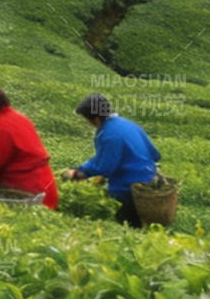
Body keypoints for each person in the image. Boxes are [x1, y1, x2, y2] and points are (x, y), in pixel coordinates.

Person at [66, 92, 162, 227]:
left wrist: (78, 173)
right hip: (149, 182)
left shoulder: (108, 134)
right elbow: (155, 154)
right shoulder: (128, 124)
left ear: (95, 118)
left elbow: (105, 168)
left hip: (128, 189)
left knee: (126, 226)